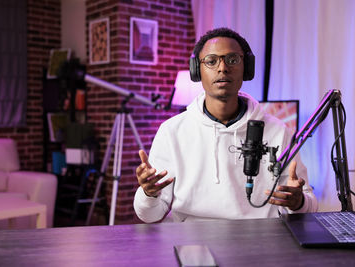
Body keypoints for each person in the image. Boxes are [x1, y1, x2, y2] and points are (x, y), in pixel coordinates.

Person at [133, 27, 318, 223]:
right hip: (191, 241)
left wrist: (298, 203)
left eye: (232, 60)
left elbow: (309, 206)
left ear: (247, 68)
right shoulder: (172, 132)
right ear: (197, 70)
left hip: (262, 240)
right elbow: (150, 216)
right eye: (211, 61)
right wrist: (148, 194)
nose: (222, 68)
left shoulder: (278, 131)